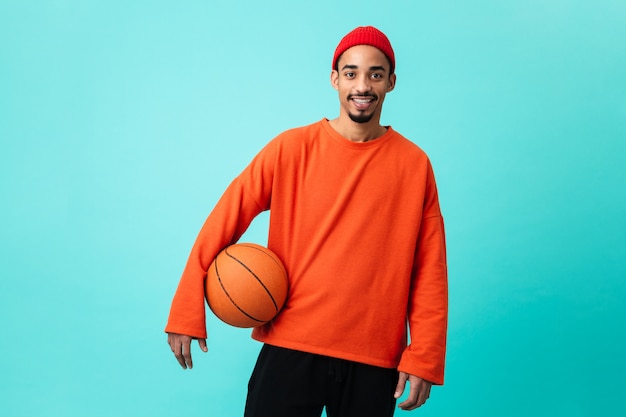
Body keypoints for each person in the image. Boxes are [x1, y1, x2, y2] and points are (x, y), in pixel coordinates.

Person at [165, 26, 448, 416]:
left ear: (391, 83)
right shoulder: (290, 149)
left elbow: (429, 269)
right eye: (350, 73)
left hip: (374, 359)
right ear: (334, 79)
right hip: (289, 347)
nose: (361, 85)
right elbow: (224, 220)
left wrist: (425, 355)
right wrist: (185, 309)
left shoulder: (415, 166)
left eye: (375, 74)